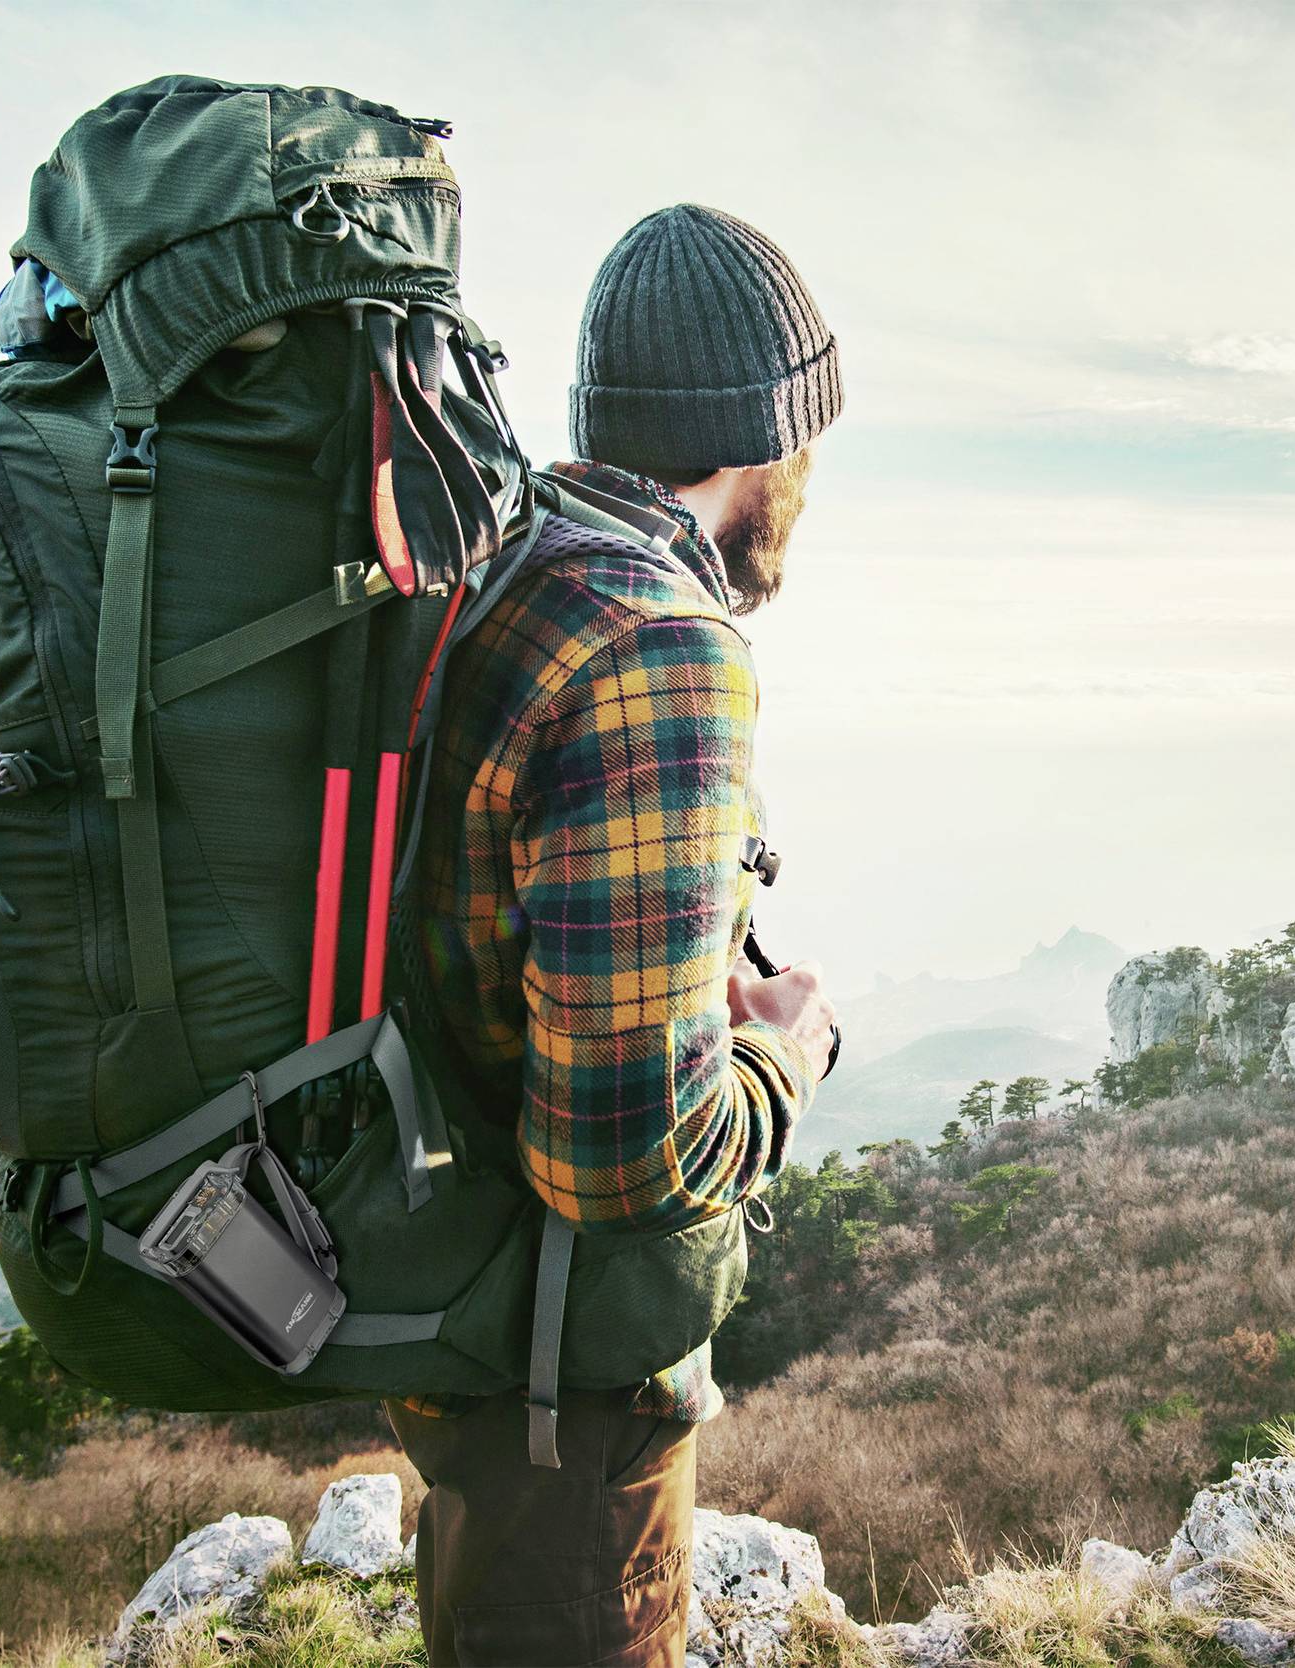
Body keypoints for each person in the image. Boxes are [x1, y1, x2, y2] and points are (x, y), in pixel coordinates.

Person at [389, 203, 846, 1667]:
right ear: (762, 441)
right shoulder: (655, 641)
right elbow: (627, 1161)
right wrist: (785, 1056)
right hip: (563, 1391)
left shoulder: (509, 557)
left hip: (456, 1302)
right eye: (809, 446)